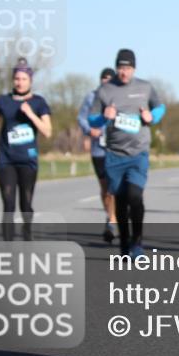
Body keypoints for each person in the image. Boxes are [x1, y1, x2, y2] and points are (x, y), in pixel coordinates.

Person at [87, 49, 166, 257]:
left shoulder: (145, 87)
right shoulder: (104, 90)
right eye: (121, 68)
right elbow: (92, 119)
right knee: (120, 201)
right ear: (116, 68)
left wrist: (151, 116)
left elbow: (160, 108)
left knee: (135, 196)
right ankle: (124, 242)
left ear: (134, 68)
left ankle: (137, 242)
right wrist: (104, 117)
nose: (124, 72)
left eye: (128, 68)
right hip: (114, 154)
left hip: (138, 152)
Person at [0, 58, 53, 241]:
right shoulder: (3, 100)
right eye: (17, 78)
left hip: (28, 161)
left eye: (24, 79)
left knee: (26, 204)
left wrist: (31, 114)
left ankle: (27, 234)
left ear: (30, 80)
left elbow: (47, 131)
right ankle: (8, 245)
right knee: (8, 204)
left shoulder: (39, 102)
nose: (20, 82)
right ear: (13, 80)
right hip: (6, 160)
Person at [78, 67, 117, 243]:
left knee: (113, 186)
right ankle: (110, 216)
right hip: (98, 148)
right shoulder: (91, 97)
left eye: (110, 80)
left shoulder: (119, 97)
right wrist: (89, 130)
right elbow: (82, 118)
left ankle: (113, 220)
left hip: (116, 148)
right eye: (104, 79)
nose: (106, 82)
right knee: (104, 187)